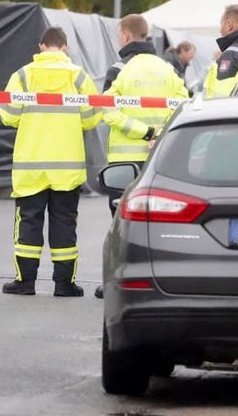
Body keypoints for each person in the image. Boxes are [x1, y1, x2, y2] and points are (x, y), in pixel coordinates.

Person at [0, 27, 101, 298]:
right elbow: (91, 119)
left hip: (31, 165)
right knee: (64, 223)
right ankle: (64, 284)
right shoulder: (79, 77)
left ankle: (25, 282)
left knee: (29, 222)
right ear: (64, 47)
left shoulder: (23, 75)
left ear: (41, 46)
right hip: (67, 167)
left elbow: (7, 115)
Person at [97, 15, 188, 298]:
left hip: (124, 163)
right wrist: (160, 134)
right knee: (160, 218)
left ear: (125, 35)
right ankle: (160, 280)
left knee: (121, 222)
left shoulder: (119, 70)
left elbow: (107, 110)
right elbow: (184, 105)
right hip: (160, 159)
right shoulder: (167, 69)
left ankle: (117, 281)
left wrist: (144, 132)